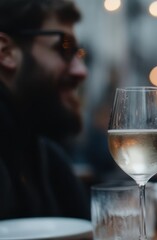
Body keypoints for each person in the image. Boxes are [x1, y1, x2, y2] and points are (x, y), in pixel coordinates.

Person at [0, 0, 90, 219]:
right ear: (5, 52)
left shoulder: (46, 157)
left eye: (77, 53)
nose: (81, 71)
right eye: (64, 48)